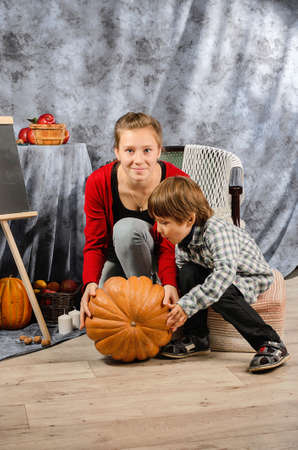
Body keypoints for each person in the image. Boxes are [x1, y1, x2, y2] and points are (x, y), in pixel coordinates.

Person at [148, 176, 290, 373]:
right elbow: (185, 271)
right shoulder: (181, 240)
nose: (159, 229)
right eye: (157, 221)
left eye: (164, 222)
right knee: (187, 272)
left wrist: (187, 305)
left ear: (189, 219)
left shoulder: (216, 231)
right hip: (217, 272)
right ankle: (197, 337)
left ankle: (270, 341)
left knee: (221, 293)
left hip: (248, 275)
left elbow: (224, 275)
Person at [80, 112, 188, 329]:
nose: (138, 160)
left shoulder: (177, 182)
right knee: (103, 314)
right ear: (117, 152)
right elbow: (95, 243)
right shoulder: (98, 182)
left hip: (163, 262)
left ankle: (147, 307)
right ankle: (142, 308)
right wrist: (89, 284)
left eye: (147, 150)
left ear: (159, 151)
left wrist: (168, 282)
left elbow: (169, 245)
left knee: (127, 229)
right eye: (129, 150)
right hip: (119, 257)